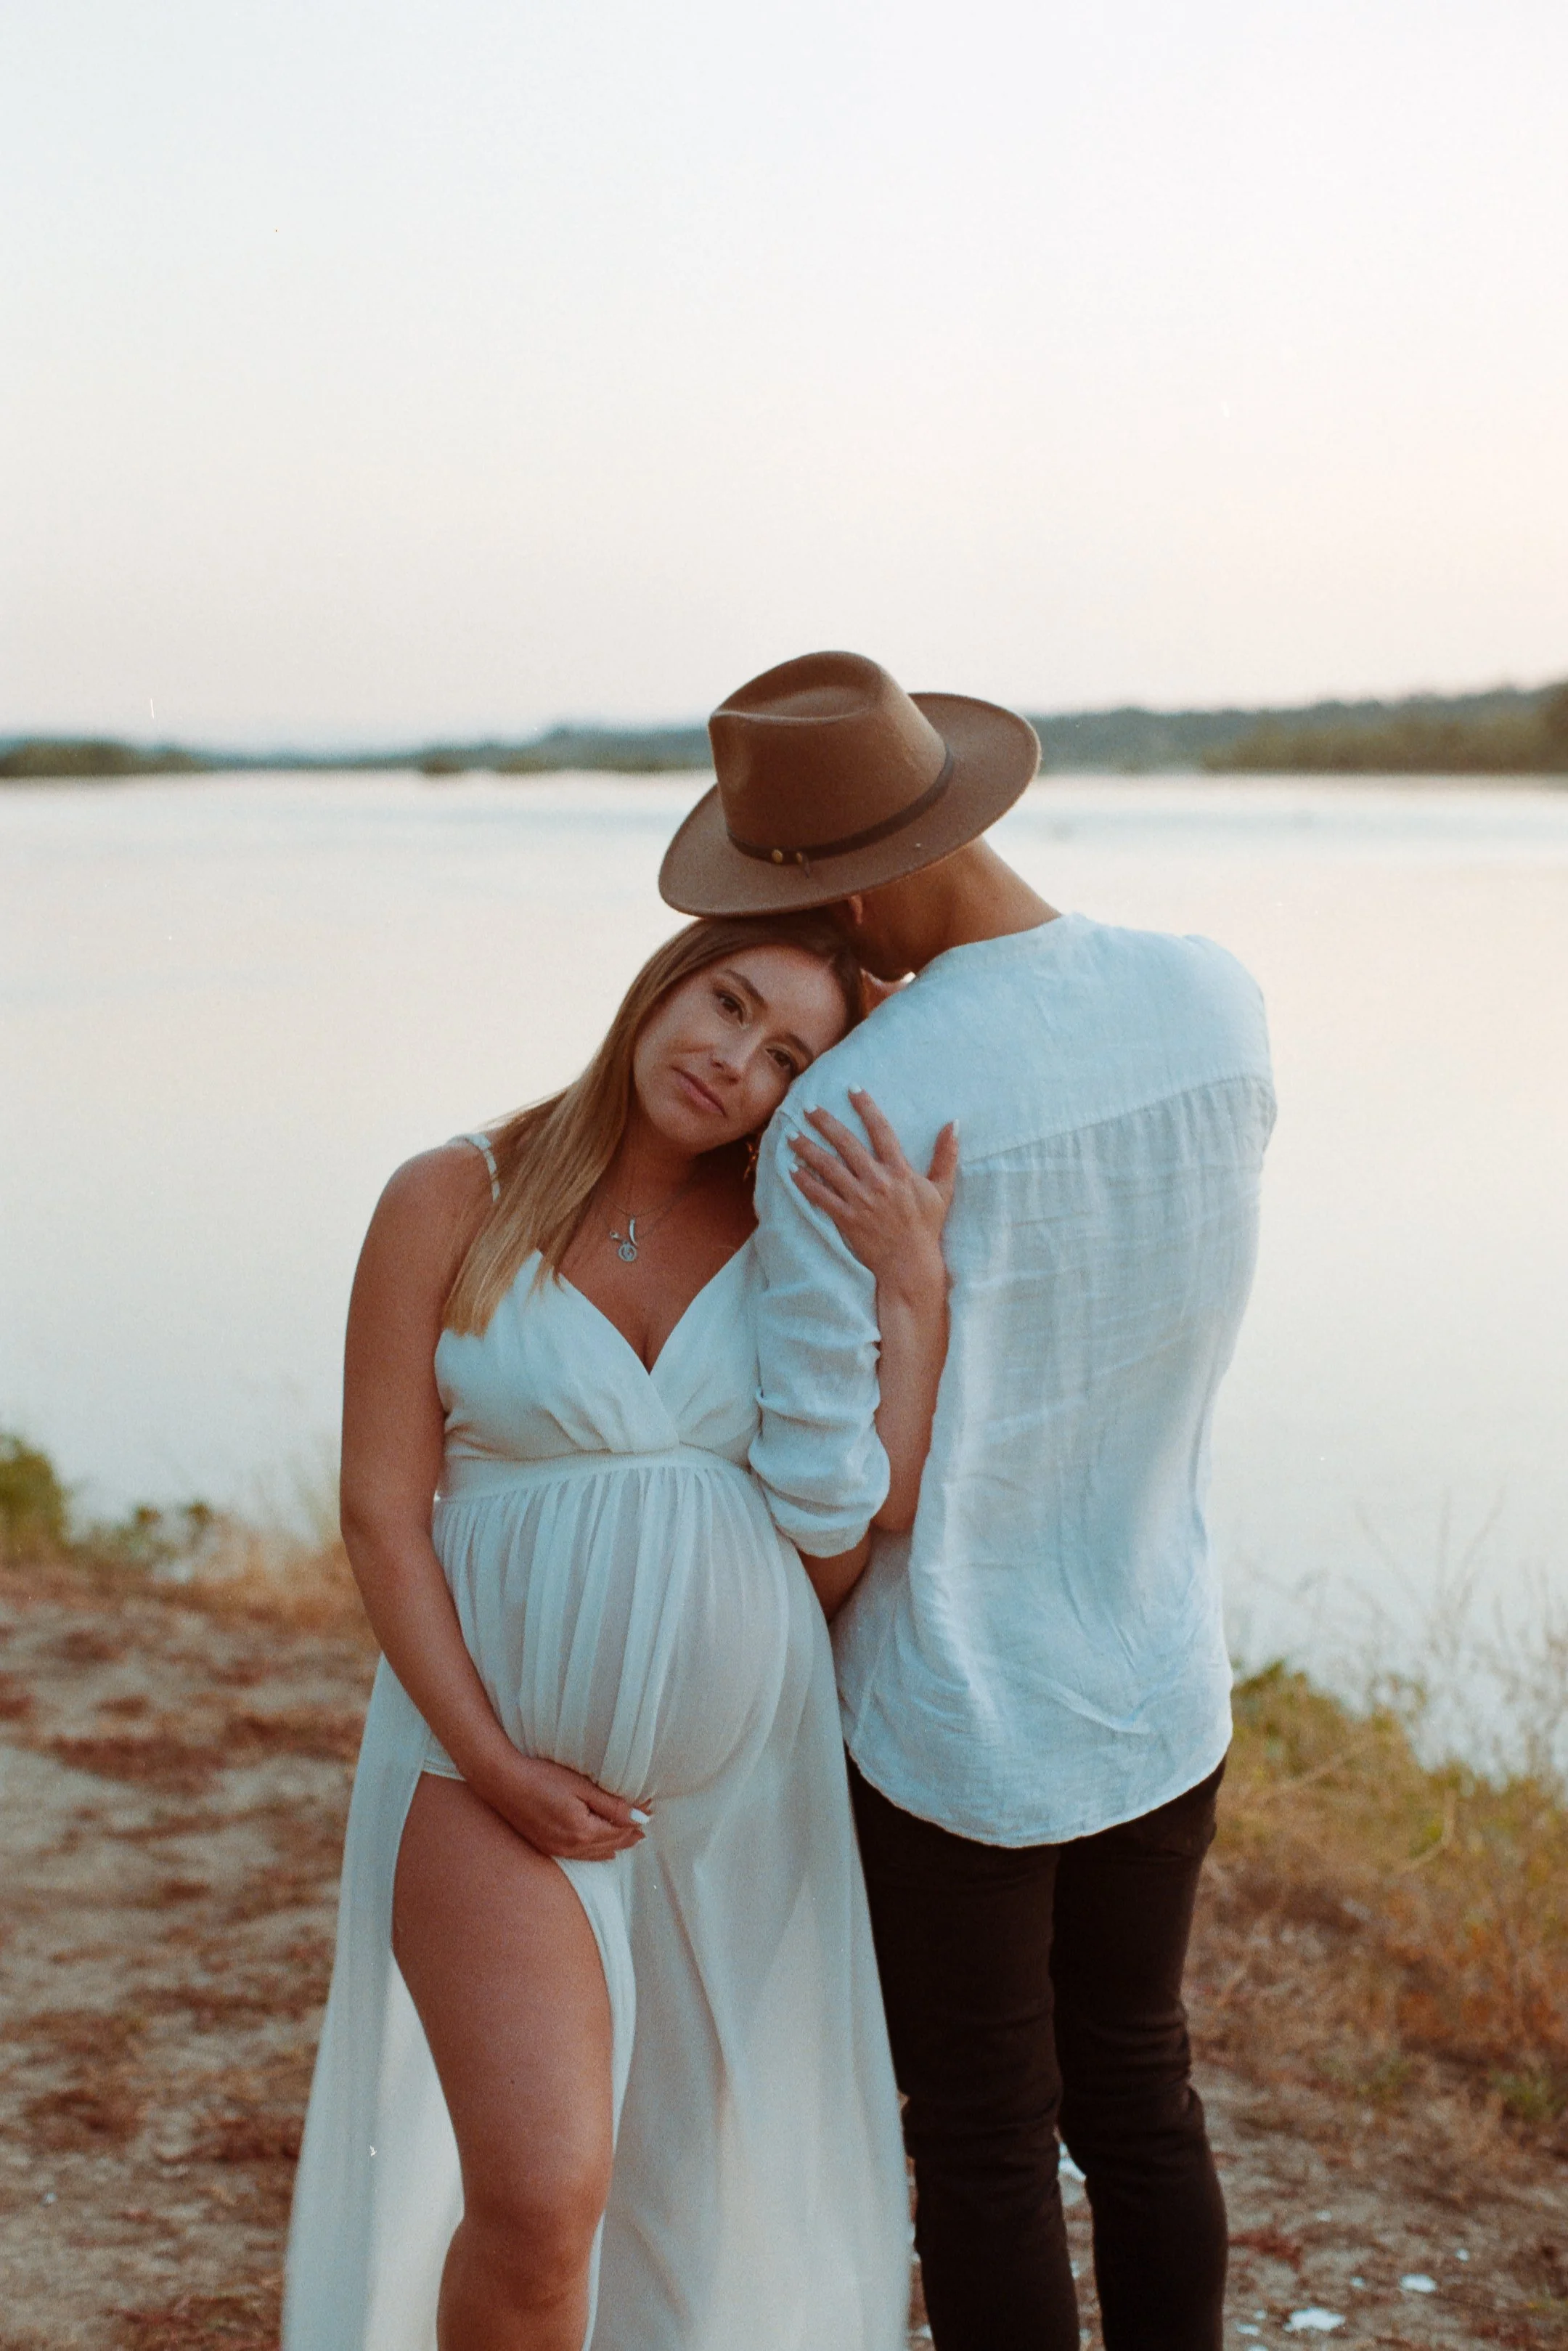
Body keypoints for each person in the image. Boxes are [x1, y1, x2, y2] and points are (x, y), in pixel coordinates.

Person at [660, 649, 1277, 2351]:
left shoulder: (847, 1114)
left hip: (952, 1715)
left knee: (988, 2136)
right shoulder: (1217, 995)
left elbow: (822, 1497)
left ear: (849, 889)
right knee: (1142, 2087)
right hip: (1160, 1667)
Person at [282, 909, 957, 2351]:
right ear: (663, 982)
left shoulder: (788, 1233)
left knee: (695, 2217)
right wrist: (493, 1757)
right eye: (728, 1003)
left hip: (741, 1799)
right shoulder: (451, 1195)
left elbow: (853, 1520)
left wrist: (911, 1285)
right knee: (540, 2203)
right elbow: (382, 1515)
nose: (735, 1061)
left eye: (792, 1057)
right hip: (492, 1778)